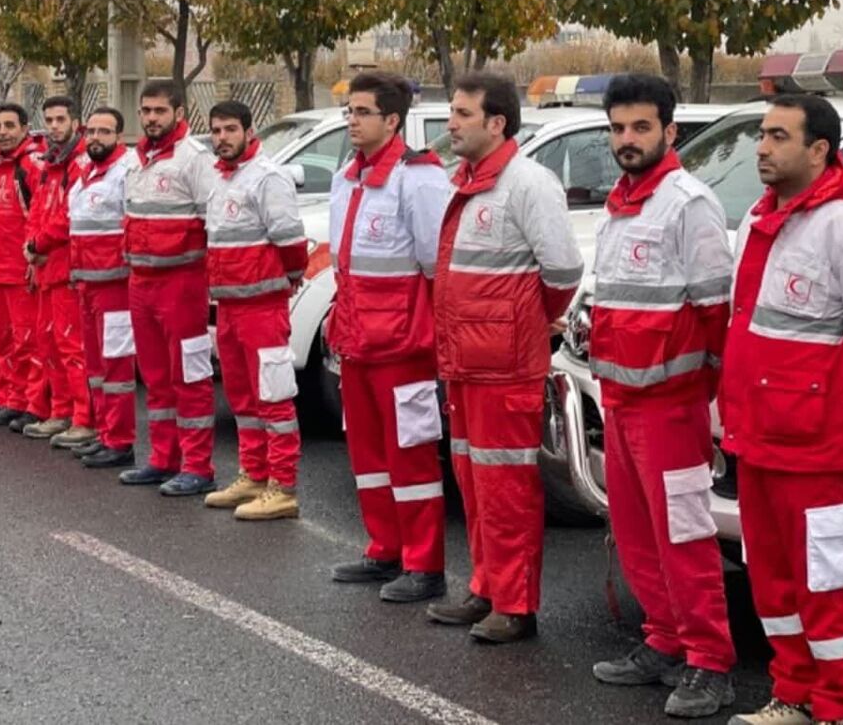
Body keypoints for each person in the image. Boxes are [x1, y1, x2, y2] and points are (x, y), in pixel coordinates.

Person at [721, 95, 843, 725]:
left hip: (813, 446)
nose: (761, 147)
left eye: (778, 136)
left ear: (818, 150)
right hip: (758, 438)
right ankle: (793, 695)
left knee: (824, 582)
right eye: (761, 134)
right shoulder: (764, 218)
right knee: (773, 581)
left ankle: (840, 709)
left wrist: (835, 398)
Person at [587, 75, 736, 718]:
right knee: (637, 534)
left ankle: (711, 664)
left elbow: (715, 311)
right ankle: (665, 641)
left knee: (684, 538)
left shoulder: (687, 203)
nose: (627, 139)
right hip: (620, 401)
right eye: (618, 128)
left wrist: (707, 404)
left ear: (669, 132)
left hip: (671, 407)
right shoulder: (620, 203)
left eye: (640, 127)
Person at [427, 71, 582, 642]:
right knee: (472, 479)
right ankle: (486, 586)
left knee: (507, 488)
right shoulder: (465, 180)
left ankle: (515, 605)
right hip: (467, 361)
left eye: (463, 114)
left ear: (496, 122)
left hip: (504, 363)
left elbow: (562, 271)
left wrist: (520, 319)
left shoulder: (527, 184)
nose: (451, 123)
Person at [326, 71, 451, 603]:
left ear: (392, 120)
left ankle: (425, 564)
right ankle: (384, 549)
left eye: (362, 112)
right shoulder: (349, 175)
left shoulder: (417, 178)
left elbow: (434, 265)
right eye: (349, 112)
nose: (352, 121)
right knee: (368, 453)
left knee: (411, 454)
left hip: (402, 345)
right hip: (358, 340)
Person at [202, 100, 308, 520]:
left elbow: (291, 244)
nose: (222, 138)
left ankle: (282, 486)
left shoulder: (267, 178)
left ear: (248, 131)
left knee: (274, 397)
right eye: (216, 130)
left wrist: (285, 279)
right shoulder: (220, 179)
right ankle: (253, 473)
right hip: (228, 305)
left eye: (230, 129)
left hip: (262, 308)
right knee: (242, 397)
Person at [120, 80, 218, 497]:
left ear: (180, 113)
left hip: (182, 284)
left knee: (189, 376)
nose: (151, 118)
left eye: (160, 111)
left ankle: (198, 465)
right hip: (141, 282)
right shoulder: (137, 159)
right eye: (146, 110)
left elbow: (213, 220)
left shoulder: (193, 159)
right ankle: (164, 458)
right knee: (156, 378)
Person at [66, 107, 137, 469]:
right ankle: (103, 432)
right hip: (87, 283)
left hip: (114, 286)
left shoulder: (126, 172)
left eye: (104, 132)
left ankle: (121, 440)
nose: (95, 137)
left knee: (116, 368)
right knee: (95, 365)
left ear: (118, 136)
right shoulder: (85, 172)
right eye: (91, 131)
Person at [22, 96, 94, 447]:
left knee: (72, 348)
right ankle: (62, 411)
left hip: (67, 270)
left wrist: (38, 244)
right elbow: (36, 212)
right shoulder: (49, 167)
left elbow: (70, 216)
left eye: (60, 119)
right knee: (49, 344)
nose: (53, 126)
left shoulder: (78, 165)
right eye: (48, 120)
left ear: (74, 121)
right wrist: (31, 250)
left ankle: (84, 418)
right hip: (46, 269)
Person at [0, 103, 46, 429]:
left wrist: (32, 261)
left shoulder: (29, 165)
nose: (3, 132)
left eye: (9, 126)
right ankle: (9, 396)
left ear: (24, 127)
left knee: (27, 341)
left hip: (20, 270)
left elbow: (37, 215)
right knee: (2, 338)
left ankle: (32, 402)